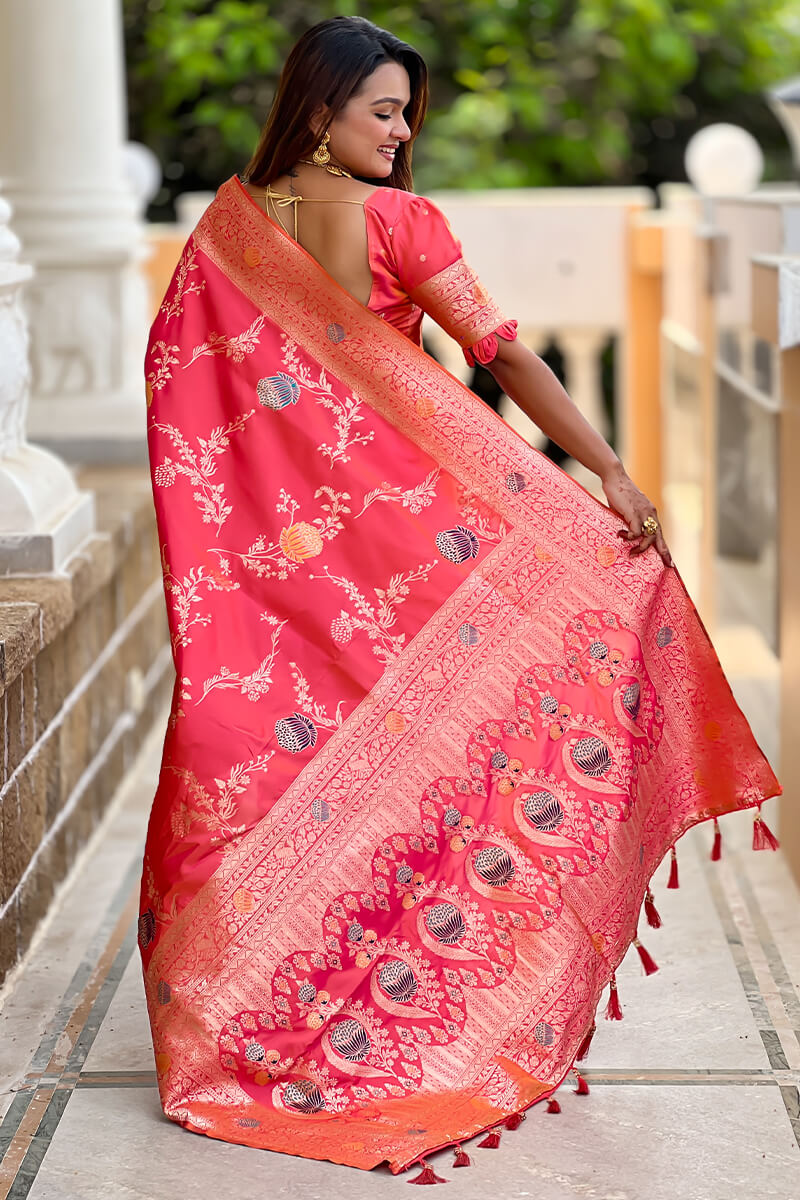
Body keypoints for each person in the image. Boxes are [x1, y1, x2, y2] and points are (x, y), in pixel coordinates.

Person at [139, 14, 780, 1181]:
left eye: (406, 113)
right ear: (320, 111)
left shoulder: (225, 236)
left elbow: (181, 390)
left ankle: (242, 1028)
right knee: (431, 753)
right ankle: (369, 1009)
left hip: (287, 569)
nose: (400, 132)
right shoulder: (395, 223)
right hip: (412, 554)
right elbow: (502, 354)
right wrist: (608, 471)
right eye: (382, 110)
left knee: (274, 761)